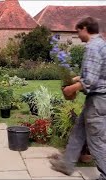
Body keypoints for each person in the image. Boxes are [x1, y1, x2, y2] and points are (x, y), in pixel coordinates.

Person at [49, 17, 106, 180]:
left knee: (96, 141)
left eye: (78, 31)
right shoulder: (101, 44)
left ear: (85, 28)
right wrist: (76, 79)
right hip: (96, 100)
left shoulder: (93, 47)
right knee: (79, 131)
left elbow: (90, 81)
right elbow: (94, 73)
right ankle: (66, 164)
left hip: (98, 100)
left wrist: (70, 88)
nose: (77, 34)